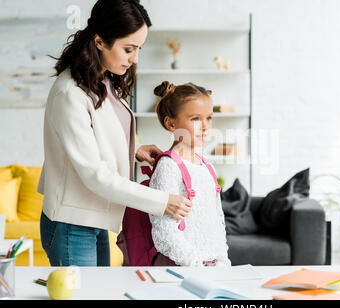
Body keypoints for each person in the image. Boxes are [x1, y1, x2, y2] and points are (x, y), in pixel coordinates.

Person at [38, 0, 192, 267]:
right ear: (99, 41)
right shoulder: (69, 93)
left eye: (138, 49)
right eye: (128, 49)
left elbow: (100, 132)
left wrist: (135, 149)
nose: (135, 59)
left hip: (94, 217)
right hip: (71, 224)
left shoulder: (103, 81)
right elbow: (94, 174)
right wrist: (161, 201)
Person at [148, 80, 231, 267]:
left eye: (209, 118)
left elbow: (218, 220)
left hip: (211, 268)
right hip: (179, 268)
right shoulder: (168, 167)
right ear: (170, 123)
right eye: (195, 118)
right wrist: (196, 265)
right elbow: (164, 232)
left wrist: (222, 261)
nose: (205, 126)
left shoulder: (208, 167)